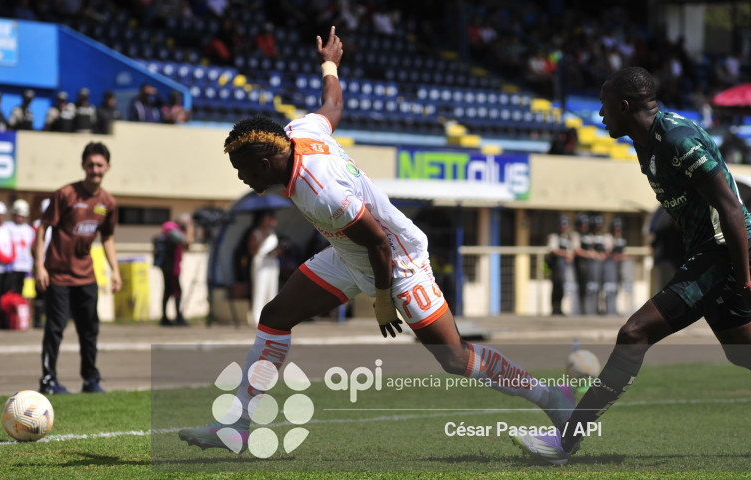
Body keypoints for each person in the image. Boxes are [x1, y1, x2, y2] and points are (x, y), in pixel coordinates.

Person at [178, 27, 576, 453]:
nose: (241, 178)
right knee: (275, 316)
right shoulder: (301, 131)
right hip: (352, 255)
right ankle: (238, 424)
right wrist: (329, 63)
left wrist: (383, 299)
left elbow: (380, 243)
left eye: (243, 170)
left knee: (456, 359)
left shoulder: (322, 190)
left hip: (398, 261)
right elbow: (333, 104)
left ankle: (553, 398)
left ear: (263, 161)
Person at [514, 66, 751, 465]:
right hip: (707, 252)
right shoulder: (646, 143)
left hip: (725, 252)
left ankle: (562, 443)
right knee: (741, 352)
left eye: (606, 107)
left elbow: (730, 205)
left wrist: (744, 275)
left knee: (634, 333)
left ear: (624, 106)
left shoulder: (677, 138)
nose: (601, 116)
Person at [34, 142, 122, 394]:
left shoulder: (108, 202)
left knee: (89, 329)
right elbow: (42, 229)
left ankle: (90, 379)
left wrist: (114, 270)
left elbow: (107, 238)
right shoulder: (65, 194)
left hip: (86, 275)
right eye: (90, 164)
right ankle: (48, 380)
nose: (95, 169)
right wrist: (39, 266)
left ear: (108, 167)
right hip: (58, 275)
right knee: (55, 327)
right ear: (83, 166)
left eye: (99, 165)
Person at [158, 213, 193, 327]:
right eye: (186, 223)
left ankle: (166, 318)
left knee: (168, 292)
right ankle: (177, 317)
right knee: (177, 291)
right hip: (171, 268)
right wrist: (189, 230)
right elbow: (187, 242)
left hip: (171, 266)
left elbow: (186, 247)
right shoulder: (172, 231)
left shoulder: (172, 230)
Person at [247, 210, 280, 325]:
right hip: (260, 263)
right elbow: (252, 251)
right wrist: (264, 239)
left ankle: (270, 317)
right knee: (260, 289)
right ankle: (257, 318)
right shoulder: (256, 233)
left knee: (271, 289)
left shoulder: (273, 233)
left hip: (271, 263)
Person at [546, 215, 577, 316]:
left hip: (567, 266)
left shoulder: (569, 237)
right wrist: (565, 254)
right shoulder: (554, 236)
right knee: (556, 287)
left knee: (564, 288)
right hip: (556, 266)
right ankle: (555, 308)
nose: (563, 228)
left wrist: (570, 255)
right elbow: (554, 250)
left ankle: (560, 308)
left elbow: (573, 250)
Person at [4, 199, 35, 297]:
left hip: (24, 265)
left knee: (20, 290)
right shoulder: (7, 227)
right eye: (18, 216)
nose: (20, 218)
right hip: (11, 265)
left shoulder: (29, 230)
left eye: (23, 216)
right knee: (9, 290)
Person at [32, 198, 52, 329]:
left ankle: (51, 318)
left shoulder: (57, 225)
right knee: (40, 291)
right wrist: (38, 264)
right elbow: (33, 245)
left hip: (53, 264)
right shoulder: (36, 225)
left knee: (53, 293)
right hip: (41, 263)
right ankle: (38, 319)